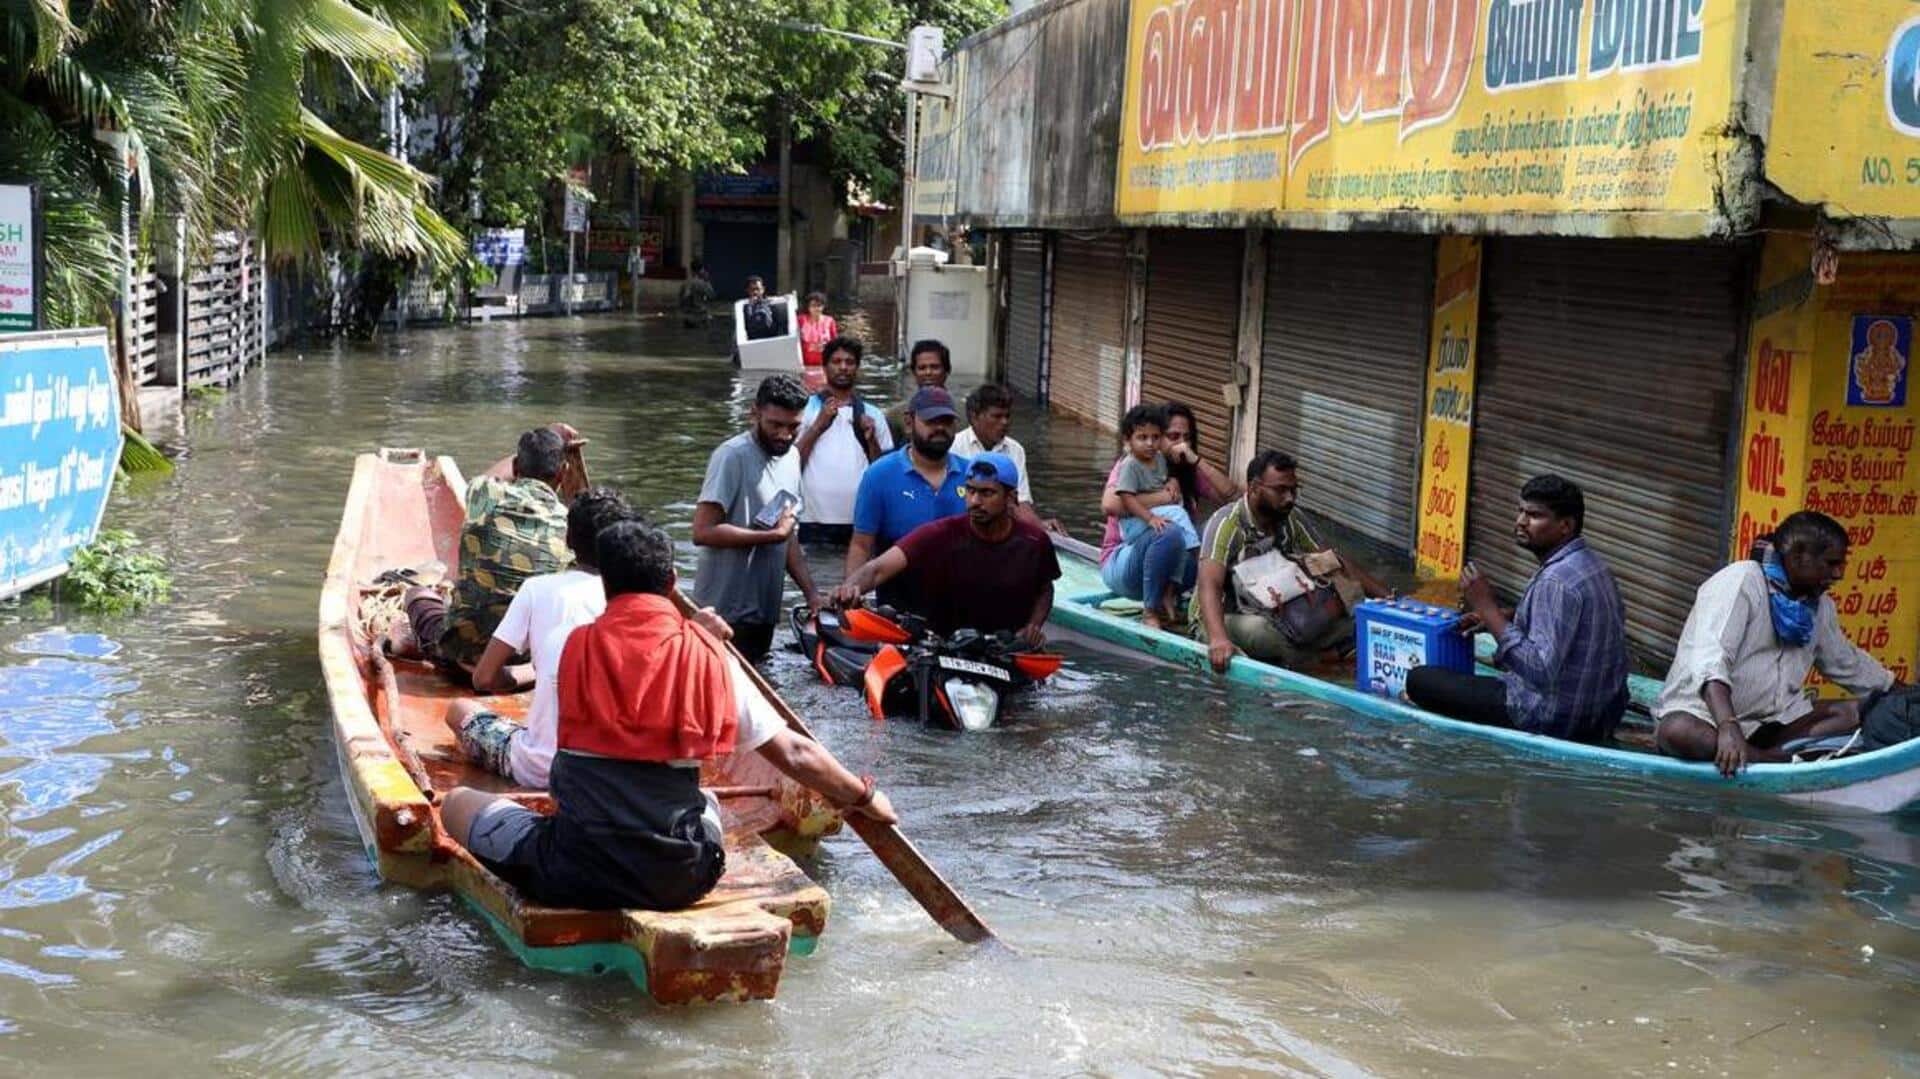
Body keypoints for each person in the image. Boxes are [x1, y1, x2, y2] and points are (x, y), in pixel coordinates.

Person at [438, 520, 898, 913]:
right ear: (673, 582)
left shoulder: (571, 645)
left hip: (576, 871)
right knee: (709, 803)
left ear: (605, 586)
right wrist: (863, 796)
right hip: (682, 878)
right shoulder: (709, 656)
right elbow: (795, 753)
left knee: (457, 803)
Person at [1654, 510, 1899, 776]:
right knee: (1679, 732)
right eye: (1831, 563)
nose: (1839, 574)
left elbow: (1846, 662)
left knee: (1853, 712)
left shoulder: (1819, 606)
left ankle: (1758, 756)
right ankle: (1768, 759)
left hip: (1775, 724)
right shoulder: (1741, 580)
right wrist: (1727, 725)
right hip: (1710, 718)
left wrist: (1897, 690)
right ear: (1797, 557)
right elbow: (1711, 661)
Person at [1403, 475, 1629, 743]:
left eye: (1534, 515)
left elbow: (1540, 671)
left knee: (1419, 679)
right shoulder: (1591, 564)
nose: (1521, 522)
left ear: (1565, 526)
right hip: (1601, 713)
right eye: (1520, 511)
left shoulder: (1555, 582)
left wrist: (1487, 608)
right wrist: (1505, 618)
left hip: (1551, 718)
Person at [403, 425, 584, 681]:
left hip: (461, 651)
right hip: (524, 657)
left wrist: (531, 449)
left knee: (417, 595)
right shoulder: (569, 522)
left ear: (517, 467)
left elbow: (492, 476)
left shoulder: (486, 494)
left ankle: (424, 647)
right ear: (563, 473)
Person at [1190, 450, 1389, 672]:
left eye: (1294, 490)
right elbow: (1210, 584)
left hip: (1279, 611)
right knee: (1264, 632)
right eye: (1281, 490)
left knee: (1353, 617)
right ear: (1254, 488)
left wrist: (1389, 600)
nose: (1290, 498)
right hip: (1221, 617)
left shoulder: (1291, 518)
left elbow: (1332, 561)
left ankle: (1322, 653)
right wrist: (1218, 639)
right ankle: (1321, 658)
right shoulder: (1226, 524)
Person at [833, 453, 1059, 645]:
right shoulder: (939, 534)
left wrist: (1033, 626)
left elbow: (1045, 589)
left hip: (1003, 648)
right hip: (943, 646)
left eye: (987, 493)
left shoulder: (1034, 541)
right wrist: (850, 587)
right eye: (970, 491)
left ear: (1011, 498)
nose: (974, 501)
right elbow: (878, 569)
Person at [691, 374, 822, 660]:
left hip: (763, 613)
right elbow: (702, 531)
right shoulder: (731, 456)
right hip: (722, 613)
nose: (785, 435)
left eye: (794, 427)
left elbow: (788, 537)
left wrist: (812, 594)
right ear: (755, 412)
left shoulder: (791, 458)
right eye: (775, 425)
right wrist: (771, 536)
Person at [848, 386, 971, 610]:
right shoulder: (879, 475)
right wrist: (851, 591)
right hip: (898, 609)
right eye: (932, 421)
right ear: (908, 422)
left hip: (962, 609)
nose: (940, 428)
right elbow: (861, 545)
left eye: (947, 421)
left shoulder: (971, 476)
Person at [1099, 405, 1201, 630]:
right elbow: (1113, 502)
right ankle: (1150, 611)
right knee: (1171, 529)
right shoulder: (1129, 464)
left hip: (1161, 549)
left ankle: (1170, 594)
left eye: (1186, 438)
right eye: (1172, 436)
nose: (1179, 444)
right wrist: (1162, 500)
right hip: (1129, 548)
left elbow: (1231, 494)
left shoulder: (1166, 464)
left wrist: (1193, 462)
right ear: (1129, 440)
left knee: (1206, 531)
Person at [796, 336, 892, 548]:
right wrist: (818, 426)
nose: (843, 367)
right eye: (836, 362)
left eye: (849, 362)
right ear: (825, 366)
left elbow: (884, 474)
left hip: (860, 525)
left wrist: (872, 440)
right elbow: (789, 464)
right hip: (811, 521)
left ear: (857, 368)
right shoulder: (804, 410)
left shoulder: (873, 414)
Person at [952, 383, 1064, 534]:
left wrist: (1040, 526)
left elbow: (1020, 502)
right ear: (974, 417)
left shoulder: (1015, 450)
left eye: (1007, 416)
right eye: (997, 416)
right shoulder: (954, 447)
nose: (1004, 422)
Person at [1162, 402, 1243, 515]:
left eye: (1187, 437)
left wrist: (1197, 460)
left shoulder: (1190, 472)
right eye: (1173, 437)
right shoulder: (1141, 468)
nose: (1183, 444)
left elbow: (1235, 498)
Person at [886, 339, 951, 440]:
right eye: (922, 368)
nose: (928, 372)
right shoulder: (895, 416)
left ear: (947, 370)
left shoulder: (964, 413)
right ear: (914, 372)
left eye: (935, 367)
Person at [797, 291, 838, 370]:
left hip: (824, 364)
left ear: (823, 307)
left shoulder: (830, 321)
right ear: (808, 307)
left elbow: (835, 343)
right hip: (805, 364)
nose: (816, 308)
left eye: (819, 306)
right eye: (813, 306)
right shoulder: (801, 320)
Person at [740, 275, 786, 340]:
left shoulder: (772, 304)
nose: (755, 292)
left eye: (757, 289)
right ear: (747, 290)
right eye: (752, 289)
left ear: (763, 289)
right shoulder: (743, 307)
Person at [677, 260, 715, 328]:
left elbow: (681, 300)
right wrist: (707, 280)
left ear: (691, 270)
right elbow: (712, 295)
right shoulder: (703, 283)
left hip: (688, 318)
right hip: (701, 317)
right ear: (701, 270)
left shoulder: (685, 283)